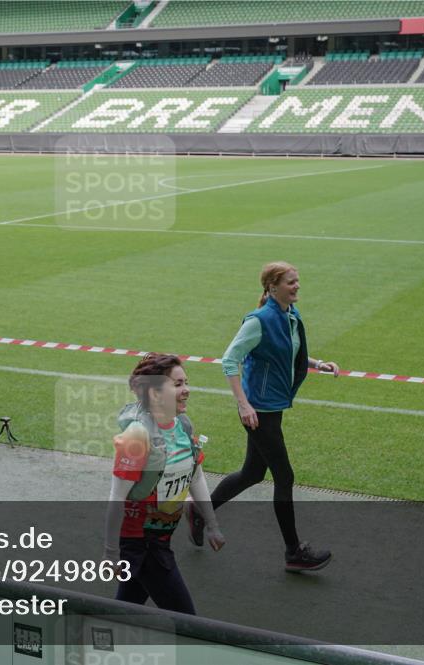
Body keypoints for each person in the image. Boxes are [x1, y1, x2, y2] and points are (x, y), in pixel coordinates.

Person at [188, 261, 339, 572]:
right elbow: (229, 361)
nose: (297, 286)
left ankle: (199, 512)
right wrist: (244, 405)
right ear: (272, 287)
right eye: (290, 282)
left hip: (271, 408)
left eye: (297, 281)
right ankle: (293, 552)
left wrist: (316, 363)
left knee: (252, 474)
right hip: (259, 412)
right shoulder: (259, 320)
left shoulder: (288, 314)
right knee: (284, 477)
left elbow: (286, 352)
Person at [103, 353, 225, 615]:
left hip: (161, 538)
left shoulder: (182, 426)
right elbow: (117, 497)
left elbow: (196, 475)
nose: (186, 391)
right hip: (142, 545)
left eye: (186, 383)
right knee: (187, 620)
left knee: (125, 609)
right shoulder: (136, 437)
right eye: (178, 384)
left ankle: (91, 648)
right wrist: (111, 553)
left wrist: (212, 525)